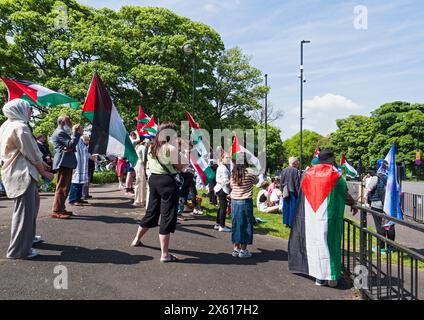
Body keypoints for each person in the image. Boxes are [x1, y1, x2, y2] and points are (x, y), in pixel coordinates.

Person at [288, 149, 357, 287]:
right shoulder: (334, 174)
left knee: (314, 244)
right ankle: (331, 277)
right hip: (328, 216)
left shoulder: (308, 173)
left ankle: (318, 277)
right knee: (329, 244)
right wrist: (353, 203)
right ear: (331, 159)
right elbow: (344, 193)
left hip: (310, 217)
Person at [0, 99, 54, 259]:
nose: (31, 111)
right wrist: (45, 173)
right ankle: (18, 251)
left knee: (32, 207)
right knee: (24, 212)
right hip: (23, 174)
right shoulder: (20, 127)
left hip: (15, 173)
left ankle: (28, 238)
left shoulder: (6, 125)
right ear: (19, 109)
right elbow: (31, 154)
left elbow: (28, 152)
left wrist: (42, 163)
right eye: (29, 108)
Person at [131, 122, 183, 262]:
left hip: (154, 180)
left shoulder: (151, 146)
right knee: (167, 216)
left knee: (151, 212)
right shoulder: (170, 148)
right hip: (167, 183)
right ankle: (165, 254)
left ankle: (136, 239)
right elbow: (181, 167)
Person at [51, 116, 82, 219]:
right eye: (69, 121)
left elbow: (70, 146)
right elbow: (71, 144)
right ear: (63, 122)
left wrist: (69, 147)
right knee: (61, 187)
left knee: (65, 187)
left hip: (65, 162)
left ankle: (61, 208)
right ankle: (56, 211)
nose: (71, 123)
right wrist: (76, 133)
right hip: (63, 162)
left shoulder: (61, 132)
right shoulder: (60, 132)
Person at [230, 152, 259, 258]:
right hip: (245, 200)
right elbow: (256, 181)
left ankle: (235, 248)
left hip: (234, 200)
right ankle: (243, 250)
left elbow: (231, 185)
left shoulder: (233, 172)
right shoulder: (249, 172)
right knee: (246, 225)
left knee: (236, 224)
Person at [367, 159, 394, 253]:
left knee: (380, 226)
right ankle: (391, 247)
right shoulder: (392, 177)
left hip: (377, 204)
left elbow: (369, 188)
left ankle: (381, 247)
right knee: (389, 225)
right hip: (389, 205)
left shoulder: (376, 177)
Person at [68, 135, 91, 207]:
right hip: (77, 165)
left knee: (80, 183)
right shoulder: (76, 139)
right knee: (75, 183)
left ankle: (78, 198)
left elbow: (85, 152)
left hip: (82, 166)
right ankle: (73, 199)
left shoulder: (81, 141)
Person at [213, 151, 232, 232]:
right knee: (223, 208)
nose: (228, 159)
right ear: (222, 158)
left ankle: (217, 223)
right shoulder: (223, 168)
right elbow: (225, 181)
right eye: (226, 158)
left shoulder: (222, 166)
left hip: (220, 189)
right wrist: (232, 181)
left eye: (229, 158)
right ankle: (222, 226)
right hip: (222, 189)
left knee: (221, 207)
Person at [281, 157, 300, 228]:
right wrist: (298, 193)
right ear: (294, 163)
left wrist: (281, 190)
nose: (297, 164)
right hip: (292, 191)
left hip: (285, 190)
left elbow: (281, 181)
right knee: (293, 207)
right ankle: (291, 223)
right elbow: (296, 183)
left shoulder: (284, 170)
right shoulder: (295, 170)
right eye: (297, 162)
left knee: (286, 206)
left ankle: (286, 222)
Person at [133, 138, 150, 207]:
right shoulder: (143, 148)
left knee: (139, 182)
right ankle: (139, 200)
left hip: (137, 164)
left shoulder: (138, 146)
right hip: (140, 164)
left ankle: (139, 200)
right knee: (141, 182)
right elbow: (144, 159)